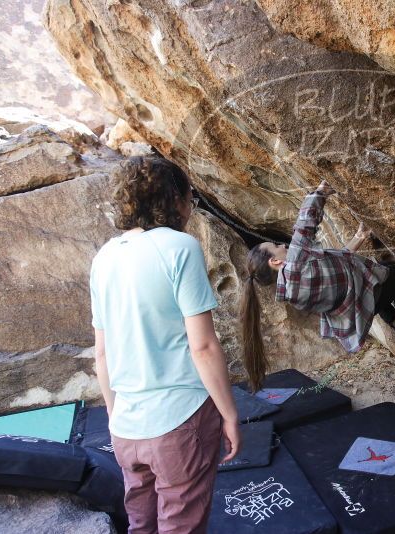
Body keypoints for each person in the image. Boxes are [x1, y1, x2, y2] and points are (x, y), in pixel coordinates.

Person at [89, 156, 240, 533]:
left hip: (126, 425)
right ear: (174, 199)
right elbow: (202, 347)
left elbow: (102, 354)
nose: (191, 208)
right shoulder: (179, 247)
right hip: (179, 418)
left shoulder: (104, 257)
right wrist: (231, 415)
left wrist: (115, 418)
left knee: (142, 524)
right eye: (191, 198)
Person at [240, 180, 395, 392]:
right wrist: (320, 192)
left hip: (357, 307)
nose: (282, 245)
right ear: (274, 261)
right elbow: (305, 225)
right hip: (364, 294)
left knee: (375, 279)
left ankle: (393, 321)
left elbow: (337, 265)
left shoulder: (291, 292)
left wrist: (359, 237)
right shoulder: (295, 264)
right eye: (275, 246)